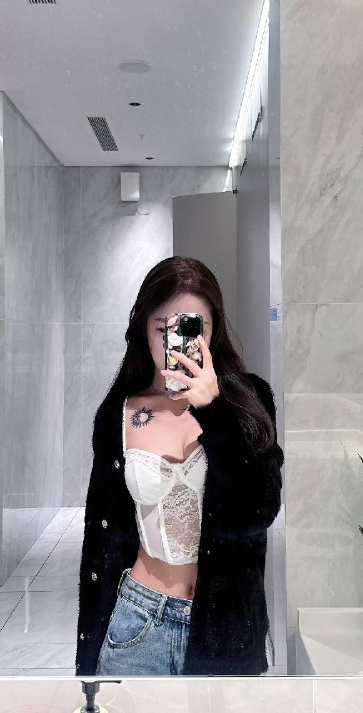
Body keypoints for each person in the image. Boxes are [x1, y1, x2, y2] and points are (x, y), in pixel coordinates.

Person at [75, 256, 283, 676]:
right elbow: (99, 536)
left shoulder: (248, 401)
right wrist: (88, 652)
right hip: (137, 621)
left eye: (191, 328)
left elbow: (257, 511)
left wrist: (214, 409)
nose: (176, 342)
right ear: (143, 330)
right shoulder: (120, 412)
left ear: (213, 330)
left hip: (224, 627)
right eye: (162, 328)